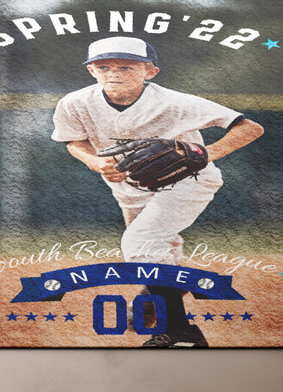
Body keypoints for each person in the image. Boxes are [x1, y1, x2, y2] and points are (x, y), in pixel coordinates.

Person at [51, 35, 264, 348]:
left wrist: (205, 153)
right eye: (104, 65)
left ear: (150, 72)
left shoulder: (174, 102)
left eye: (126, 66)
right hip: (128, 188)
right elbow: (74, 141)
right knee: (158, 253)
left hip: (189, 180)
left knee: (141, 242)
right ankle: (154, 296)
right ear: (91, 71)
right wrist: (95, 162)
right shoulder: (75, 103)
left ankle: (180, 331)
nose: (114, 72)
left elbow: (250, 128)